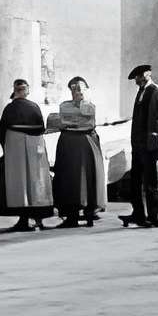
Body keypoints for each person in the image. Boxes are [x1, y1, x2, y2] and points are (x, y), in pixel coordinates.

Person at [120, 62, 158, 230]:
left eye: (138, 77)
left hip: (150, 145)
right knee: (135, 180)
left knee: (150, 183)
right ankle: (138, 214)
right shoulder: (141, 93)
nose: (136, 81)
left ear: (146, 75)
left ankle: (155, 217)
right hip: (138, 145)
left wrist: (157, 133)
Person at [48, 76, 106, 227]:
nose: (77, 91)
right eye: (74, 88)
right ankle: (71, 215)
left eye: (80, 88)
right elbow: (63, 121)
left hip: (86, 145)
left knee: (88, 178)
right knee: (69, 180)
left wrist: (70, 123)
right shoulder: (64, 106)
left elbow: (86, 122)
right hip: (69, 146)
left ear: (86, 89)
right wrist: (70, 123)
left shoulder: (89, 106)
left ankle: (89, 214)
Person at [0, 78, 53, 232]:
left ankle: (23, 219)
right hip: (35, 147)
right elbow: (42, 127)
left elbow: (2, 129)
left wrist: (1, 148)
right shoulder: (34, 107)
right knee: (36, 181)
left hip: (15, 147)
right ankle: (38, 219)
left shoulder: (10, 108)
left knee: (20, 182)